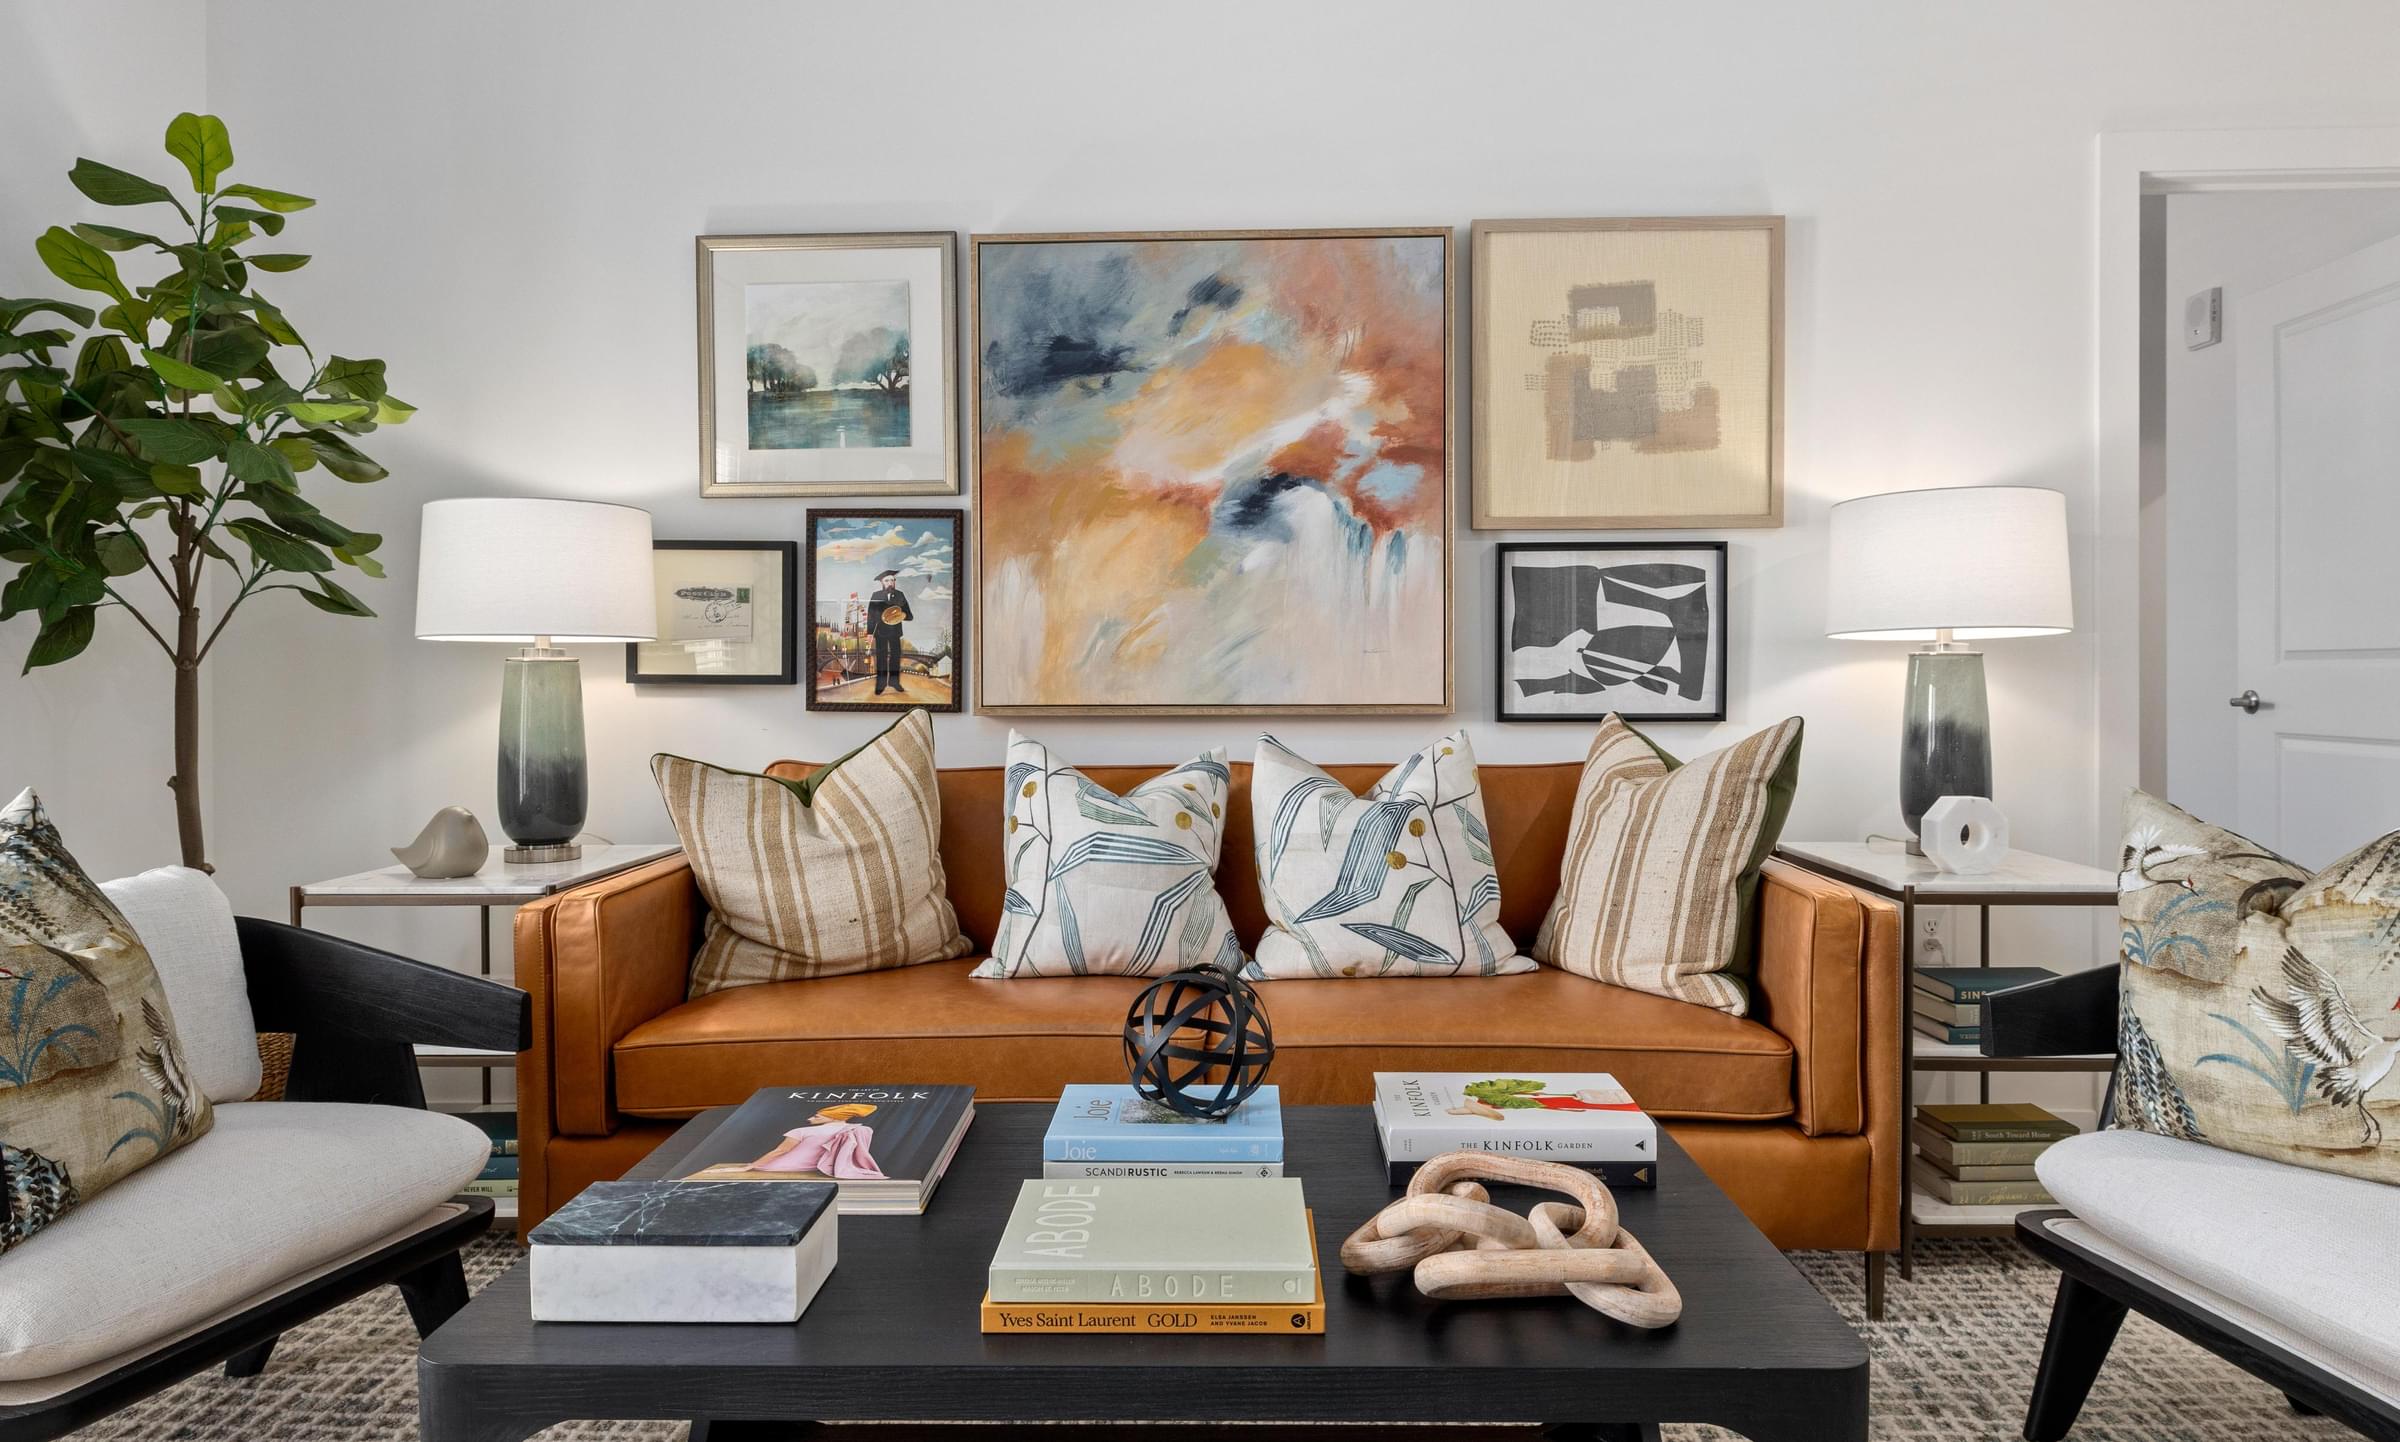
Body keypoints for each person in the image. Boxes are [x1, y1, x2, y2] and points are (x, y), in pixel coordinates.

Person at [867, 568, 912, 695]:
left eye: (892, 580)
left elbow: (909, 615)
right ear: (882, 582)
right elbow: (870, 616)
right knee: (881, 658)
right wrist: (870, 633)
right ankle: (880, 685)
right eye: (887, 581)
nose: (890, 583)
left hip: (895, 632)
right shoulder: (876, 595)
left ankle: (894, 682)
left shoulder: (900, 595)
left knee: (895, 657)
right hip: (880, 633)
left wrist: (901, 615)